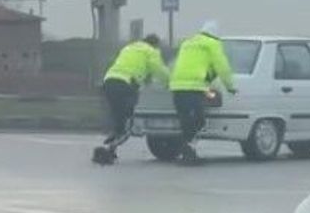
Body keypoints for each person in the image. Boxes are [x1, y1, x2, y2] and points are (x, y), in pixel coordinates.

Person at [92, 34, 170, 165]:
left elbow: (136, 67)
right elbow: (159, 70)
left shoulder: (129, 48)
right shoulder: (151, 51)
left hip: (109, 81)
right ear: (155, 44)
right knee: (129, 120)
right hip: (125, 85)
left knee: (119, 116)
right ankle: (109, 148)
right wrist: (169, 82)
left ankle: (113, 140)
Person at [169, 20, 236, 164]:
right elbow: (222, 66)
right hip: (194, 86)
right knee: (199, 120)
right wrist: (230, 86)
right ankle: (187, 150)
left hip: (177, 86)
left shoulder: (187, 43)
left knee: (185, 120)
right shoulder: (212, 44)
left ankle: (187, 152)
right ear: (216, 35)